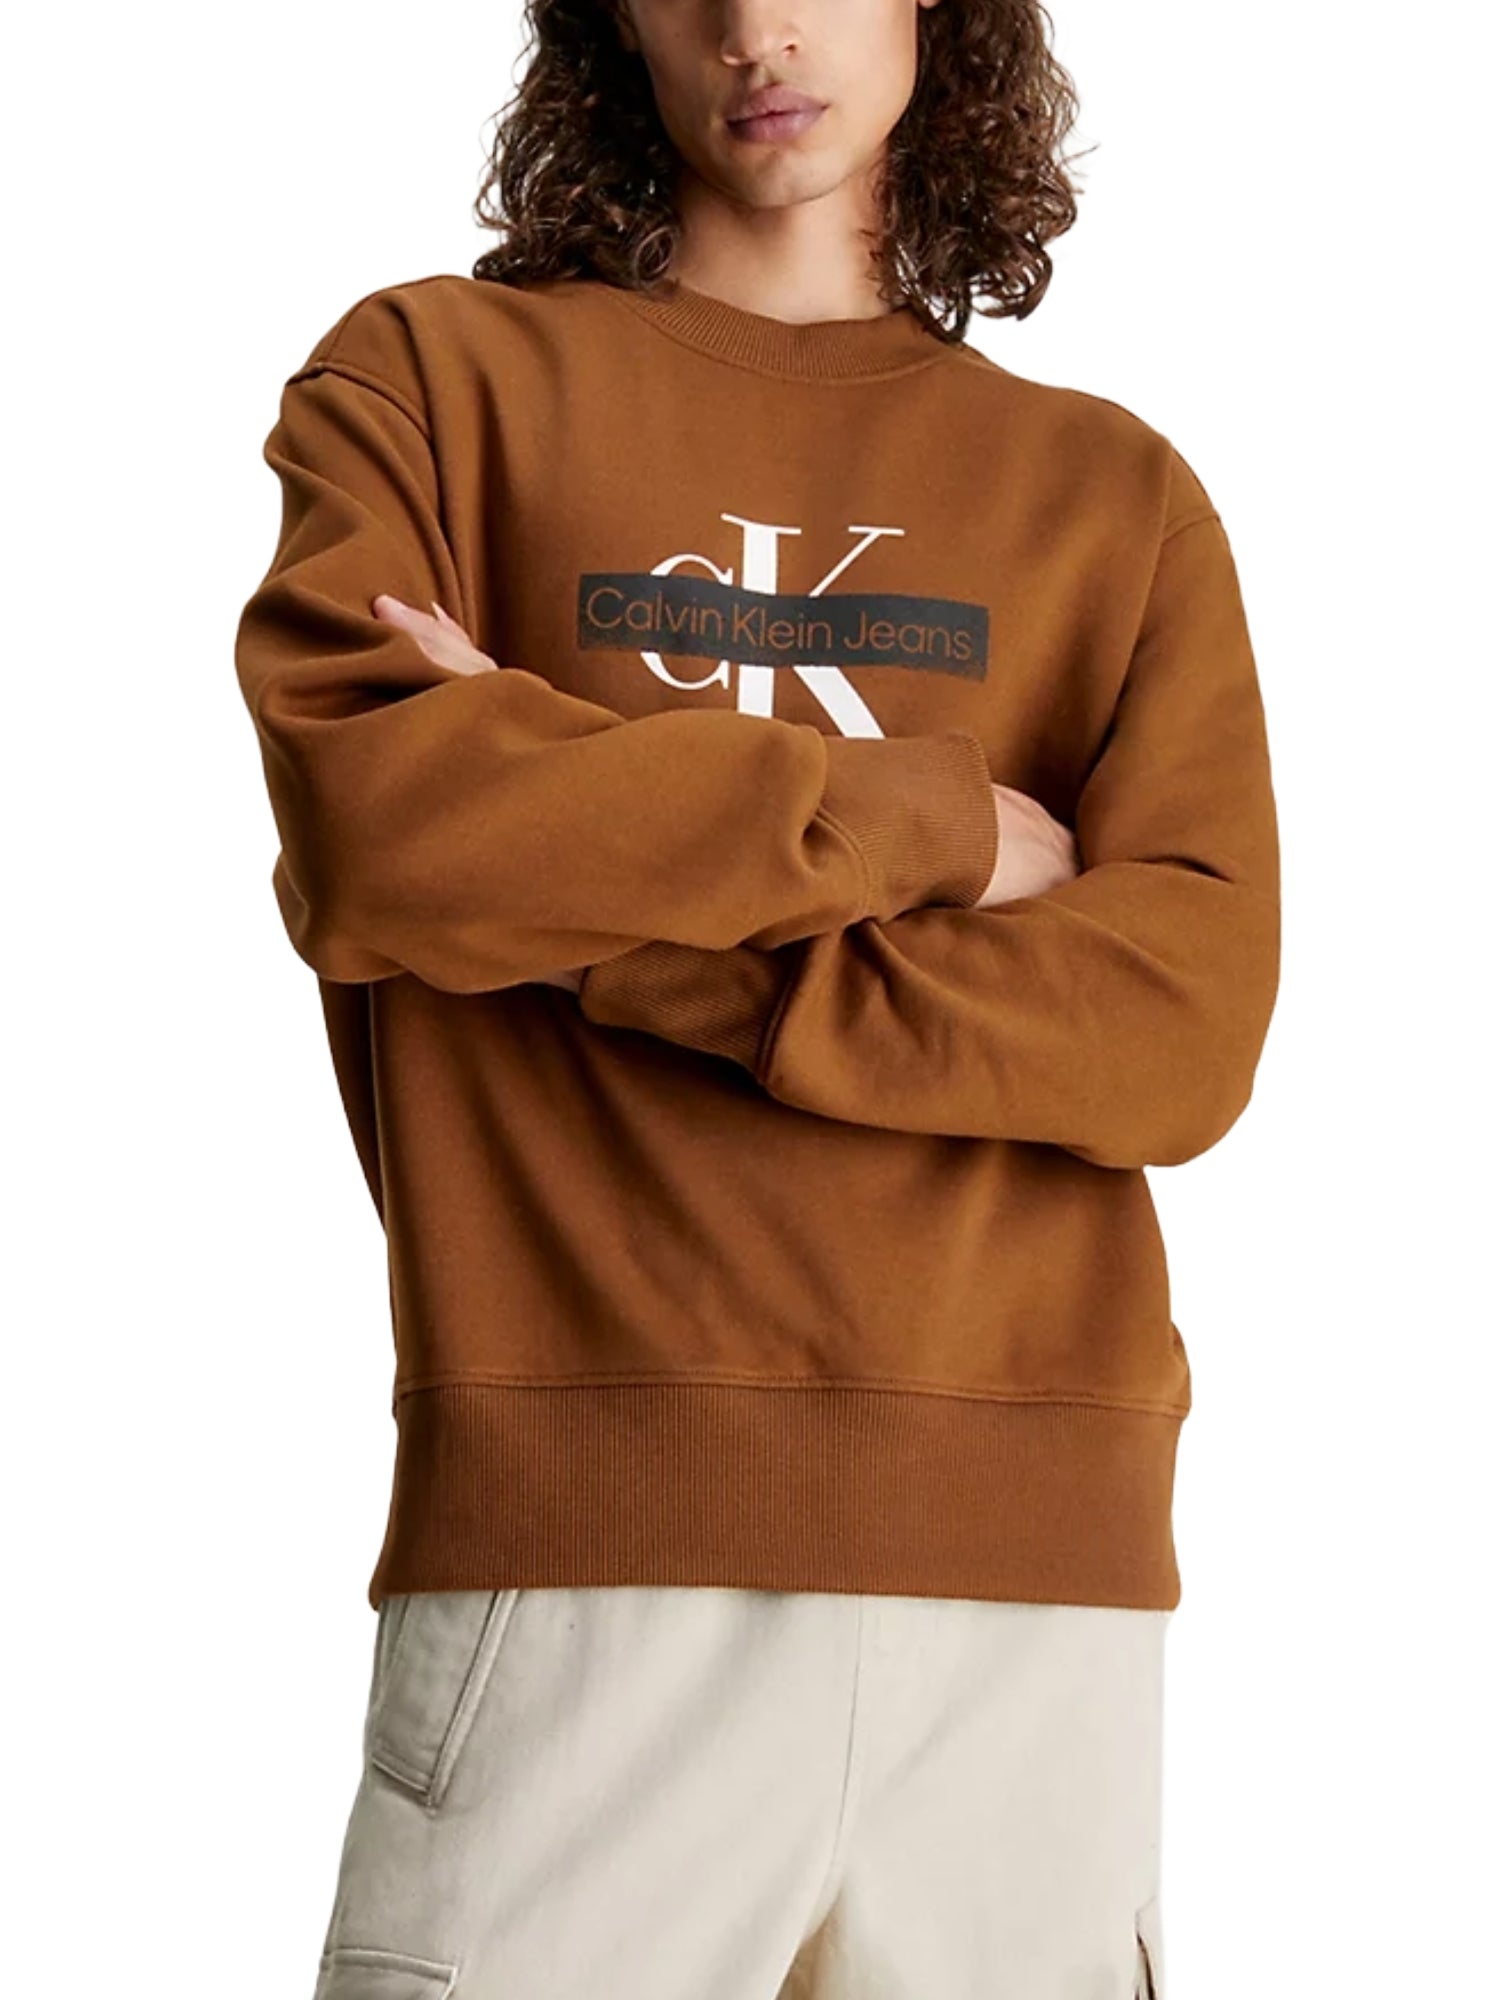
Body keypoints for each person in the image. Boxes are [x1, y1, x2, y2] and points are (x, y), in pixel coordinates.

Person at [233, 0, 1279, 1992]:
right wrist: (939, 823)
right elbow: (386, 839)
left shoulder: (1112, 494)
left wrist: (613, 921)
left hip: (1034, 1590)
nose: (754, 28)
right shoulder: (433, 385)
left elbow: (1182, 1025)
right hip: (581, 1554)